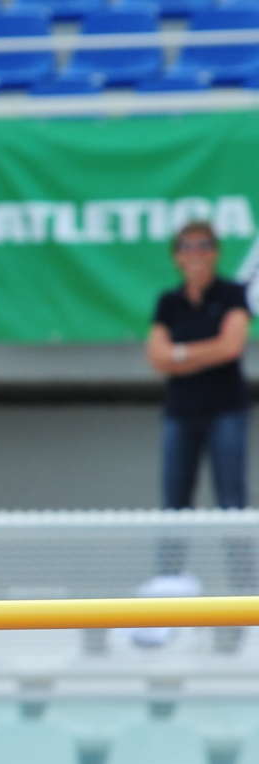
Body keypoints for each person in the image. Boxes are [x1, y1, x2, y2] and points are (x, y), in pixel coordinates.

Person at [144, 219, 251, 585]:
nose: (195, 254)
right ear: (176, 256)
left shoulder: (232, 294)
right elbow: (156, 356)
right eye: (186, 246)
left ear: (216, 252)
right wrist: (203, 352)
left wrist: (180, 353)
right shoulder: (169, 302)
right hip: (180, 413)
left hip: (226, 412)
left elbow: (231, 346)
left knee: (232, 502)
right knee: (174, 502)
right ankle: (168, 581)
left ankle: (243, 587)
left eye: (204, 245)